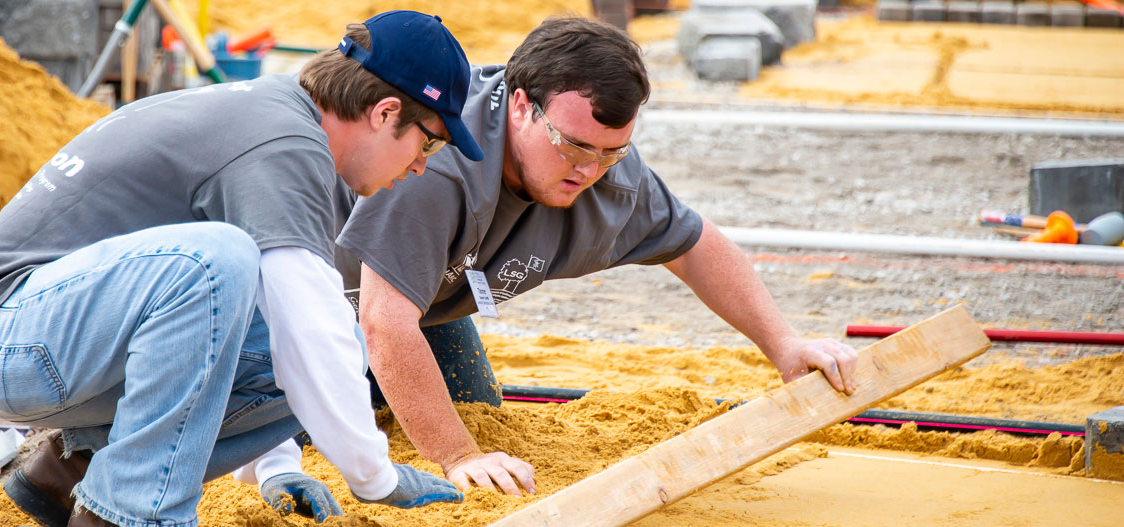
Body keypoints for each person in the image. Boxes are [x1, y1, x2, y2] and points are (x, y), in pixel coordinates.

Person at [249, 16, 861, 498]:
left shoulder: (608, 176)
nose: (588, 171)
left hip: (422, 303)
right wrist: (456, 456)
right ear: (520, 105)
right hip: (287, 303)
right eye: (573, 146)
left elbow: (695, 246)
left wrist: (785, 343)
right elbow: (382, 323)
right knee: (299, 447)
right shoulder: (439, 163)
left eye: (609, 153)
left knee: (481, 418)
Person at [0, 11, 482, 527]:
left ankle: (68, 472)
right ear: (385, 113)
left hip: (53, 341)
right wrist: (376, 479)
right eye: (428, 143)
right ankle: (137, 513)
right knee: (218, 264)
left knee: (323, 340)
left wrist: (277, 466)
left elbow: (288, 341)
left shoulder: (282, 116)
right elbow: (305, 326)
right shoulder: (286, 143)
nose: (418, 166)